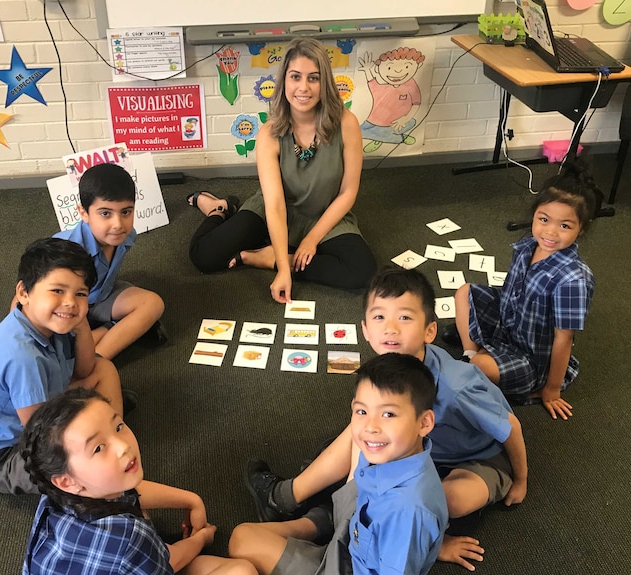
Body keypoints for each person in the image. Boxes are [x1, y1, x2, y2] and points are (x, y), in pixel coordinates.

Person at [244, 266, 528, 571]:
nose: (390, 329)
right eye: (380, 317)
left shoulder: (457, 386)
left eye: (404, 317)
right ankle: (284, 499)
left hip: (478, 458)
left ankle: (362, 523)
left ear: (429, 331)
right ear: (365, 329)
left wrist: (521, 480)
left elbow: (510, 426)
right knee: (363, 431)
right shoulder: (387, 369)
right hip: (418, 448)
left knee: (447, 499)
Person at [187, 37, 376, 303]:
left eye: (314, 78)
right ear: (284, 81)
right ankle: (219, 208)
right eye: (295, 77)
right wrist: (285, 271)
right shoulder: (269, 133)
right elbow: (274, 205)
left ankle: (266, 256)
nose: (303, 88)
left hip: (324, 214)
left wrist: (307, 242)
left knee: (362, 272)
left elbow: (348, 192)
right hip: (274, 213)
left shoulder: (346, 122)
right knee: (204, 257)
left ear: (325, 83)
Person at [229, 353, 448, 575]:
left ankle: (320, 521)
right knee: (245, 536)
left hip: (346, 566)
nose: (371, 426)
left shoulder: (407, 511)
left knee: (242, 539)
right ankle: (323, 522)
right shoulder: (396, 454)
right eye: (362, 411)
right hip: (351, 541)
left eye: (388, 414)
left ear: (425, 422)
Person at [0, 238, 126, 495]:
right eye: (57, 291)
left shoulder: (49, 322)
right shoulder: (22, 358)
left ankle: (111, 440)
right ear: (23, 293)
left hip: (42, 405)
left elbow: (86, 370)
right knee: (84, 470)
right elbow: (42, 435)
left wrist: (81, 325)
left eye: (80, 294)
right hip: (1, 457)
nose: (70, 303)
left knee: (104, 369)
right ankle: (111, 472)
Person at [20, 388, 257, 575]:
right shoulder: (129, 536)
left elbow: (131, 490)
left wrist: (192, 500)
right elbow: (168, 559)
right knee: (241, 570)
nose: (124, 446)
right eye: (99, 448)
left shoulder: (56, 495)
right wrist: (201, 538)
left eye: (118, 426)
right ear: (67, 481)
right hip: (136, 554)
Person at [443, 161, 602, 421]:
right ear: (534, 215)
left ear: (581, 228)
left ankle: (478, 357)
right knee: (464, 292)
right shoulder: (527, 245)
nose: (550, 232)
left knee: (478, 369)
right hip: (508, 325)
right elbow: (510, 292)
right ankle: (470, 351)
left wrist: (551, 389)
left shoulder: (573, 280)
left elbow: (564, 340)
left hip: (529, 356)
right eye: (544, 219)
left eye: (565, 226)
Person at [54, 162, 166, 360]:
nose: (118, 224)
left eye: (126, 212)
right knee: (56, 346)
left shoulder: (128, 236)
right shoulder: (64, 250)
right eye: (105, 213)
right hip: (69, 309)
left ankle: (97, 360)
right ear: (83, 213)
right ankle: (106, 332)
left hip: (100, 297)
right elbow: (25, 298)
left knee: (153, 304)